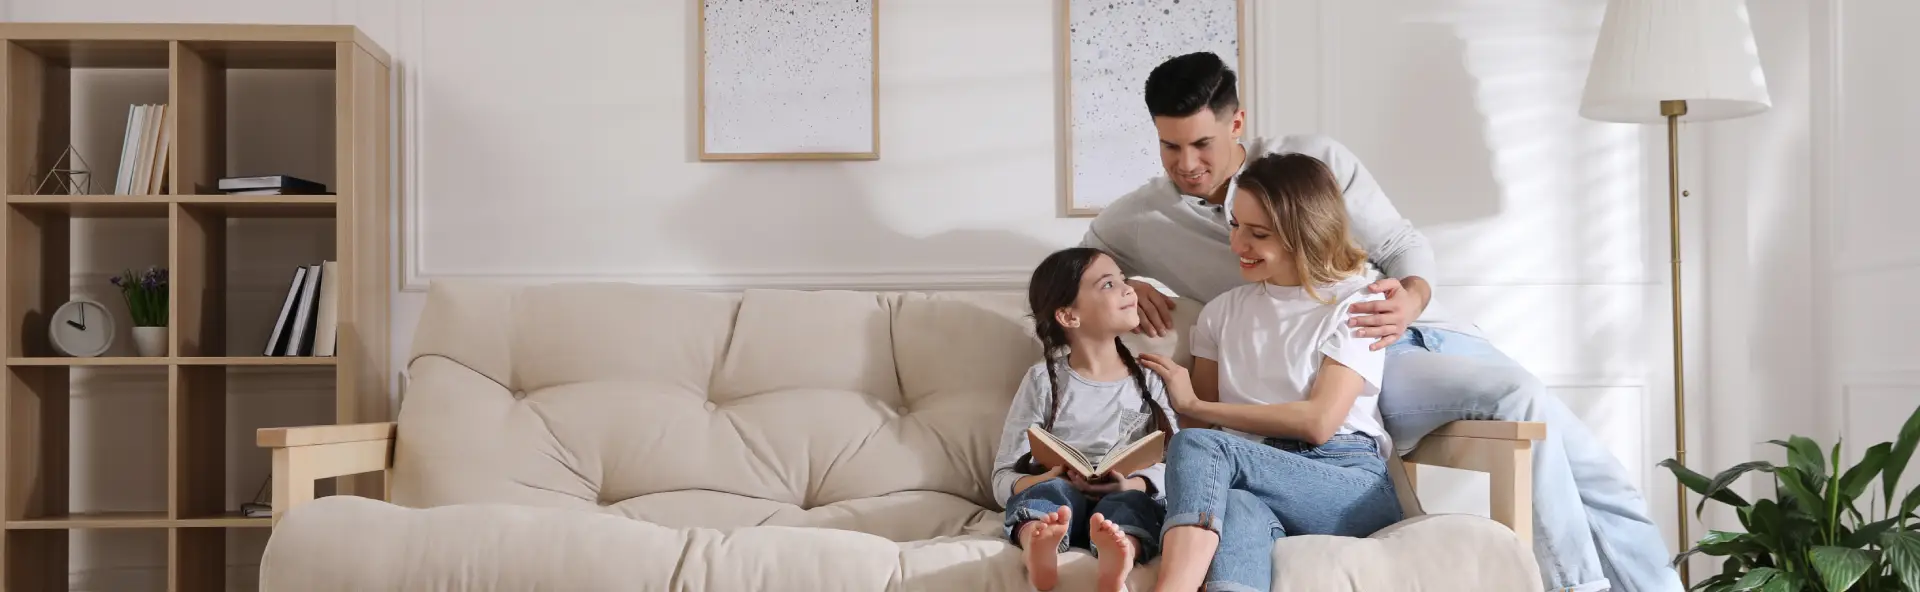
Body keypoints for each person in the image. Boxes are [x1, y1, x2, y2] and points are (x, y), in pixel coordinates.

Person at [1081, 51, 1679, 592]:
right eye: (1170, 147)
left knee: (1598, 475)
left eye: (1202, 144)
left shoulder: (1312, 161)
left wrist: (1413, 298)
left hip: (1410, 333)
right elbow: (1079, 266)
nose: (1187, 164)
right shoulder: (1144, 218)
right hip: (1348, 360)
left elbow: (1398, 242)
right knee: (1517, 397)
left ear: (1236, 124)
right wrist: (1124, 280)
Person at [1138, 152, 1408, 592]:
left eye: (1257, 234)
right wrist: (1180, 405)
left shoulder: (1357, 303)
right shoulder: (1220, 315)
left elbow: (1318, 422)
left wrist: (1195, 407)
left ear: (1304, 234)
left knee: (1204, 447)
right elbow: (1203, 427)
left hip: (1344, 481)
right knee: (1238, 507)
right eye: (1235, 226)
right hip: (1256, 477)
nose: (1238, 245)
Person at [989, 247, 1183, 592]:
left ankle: (1120, 554)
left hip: (1123, 495)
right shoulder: (1041, 381)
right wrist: (1043, 478)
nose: (1129, 290)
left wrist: (1130, 484)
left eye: (1124, 280)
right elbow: (1003, 475)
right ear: (1069, 316)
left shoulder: (1150, 378)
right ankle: (1038, 543)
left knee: (1131, 505)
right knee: (1051, 491)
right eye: (1109, 284)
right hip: (1058, 500)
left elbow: (1179, 469)